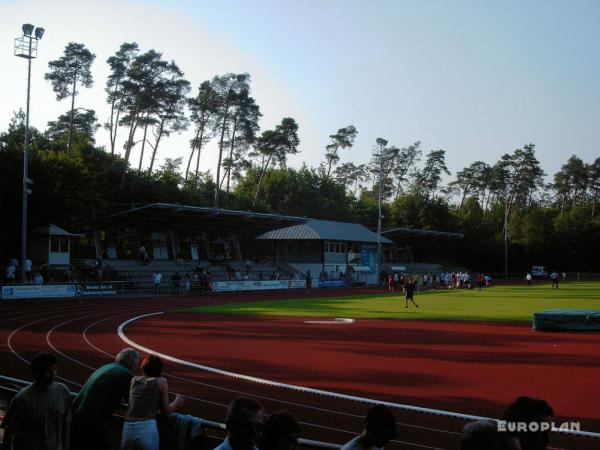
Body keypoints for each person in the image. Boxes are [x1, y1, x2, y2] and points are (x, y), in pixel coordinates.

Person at [70, 348, 142, 450]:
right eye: (137, 363)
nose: (137, 366)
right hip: (91, 421)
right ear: (131, 362)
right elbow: (133, 401)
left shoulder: (107, 367)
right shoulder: (125, 374)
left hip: (77, 414)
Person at [0, 352, 72, 450]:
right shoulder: (22, 399)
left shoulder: (63, 391)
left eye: (54, 368)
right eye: (47, 370)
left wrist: (66, 446)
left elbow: (66, 423)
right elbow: (9, 431)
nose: (52, 373)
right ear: (36, 372)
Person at [121, 354, 184, 450]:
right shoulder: (161, 381)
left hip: (128, 427)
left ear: (143, 367)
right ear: (160, 369)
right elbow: (166, 412)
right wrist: (177, 401)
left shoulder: (134, 380)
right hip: (146, 427)